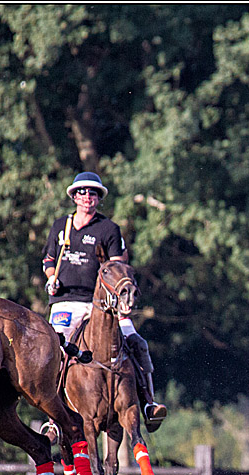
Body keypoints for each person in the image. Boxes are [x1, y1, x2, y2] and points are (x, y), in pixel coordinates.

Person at [42, 171, 167, 431]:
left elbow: (118, 265)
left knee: (137, 343)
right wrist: (52, 277)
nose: (87, 197)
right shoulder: (60, 226)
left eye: (93, 193)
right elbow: (49, 260)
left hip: (103, 304)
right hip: (66, 302)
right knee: (54, 349)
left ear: (99, 198)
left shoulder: (108, 229)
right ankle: (54, 418)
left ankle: (148, 404)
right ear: (74, 196)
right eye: (83, 192)